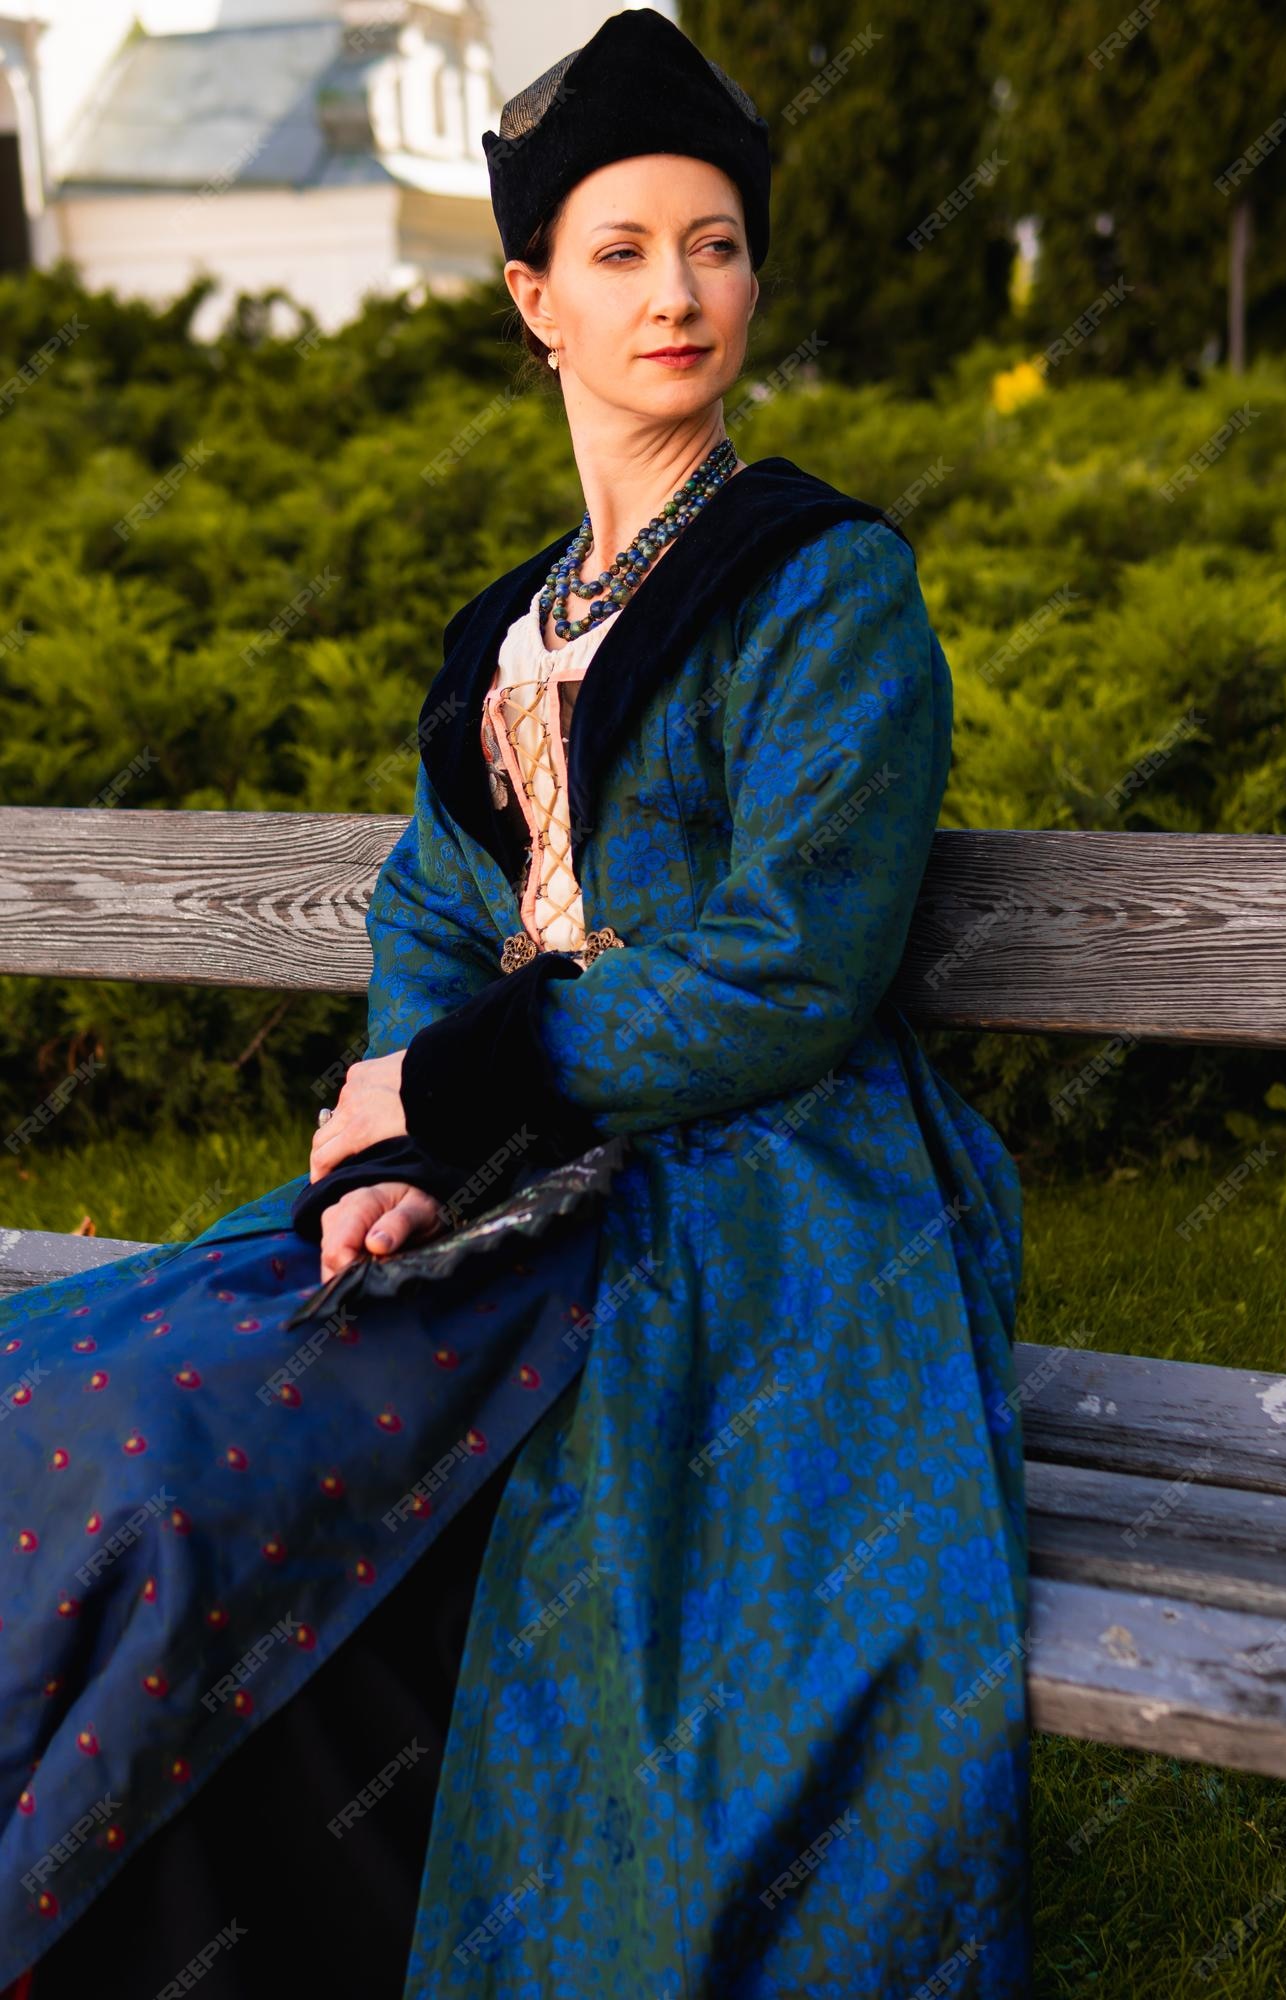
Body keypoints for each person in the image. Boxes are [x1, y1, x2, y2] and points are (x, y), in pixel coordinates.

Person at [0, 11, 1031, 1996]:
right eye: (626, 250)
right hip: (521, 1151)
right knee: (73, 1394)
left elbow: (788, 966)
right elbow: (432, 908)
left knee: (189, 1454)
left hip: (762, 1185)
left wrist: (454, 1090)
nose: (680, 291)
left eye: (716, 243)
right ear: (529, 297)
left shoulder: (825, 592)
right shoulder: (511, 629)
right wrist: (389, 1137)